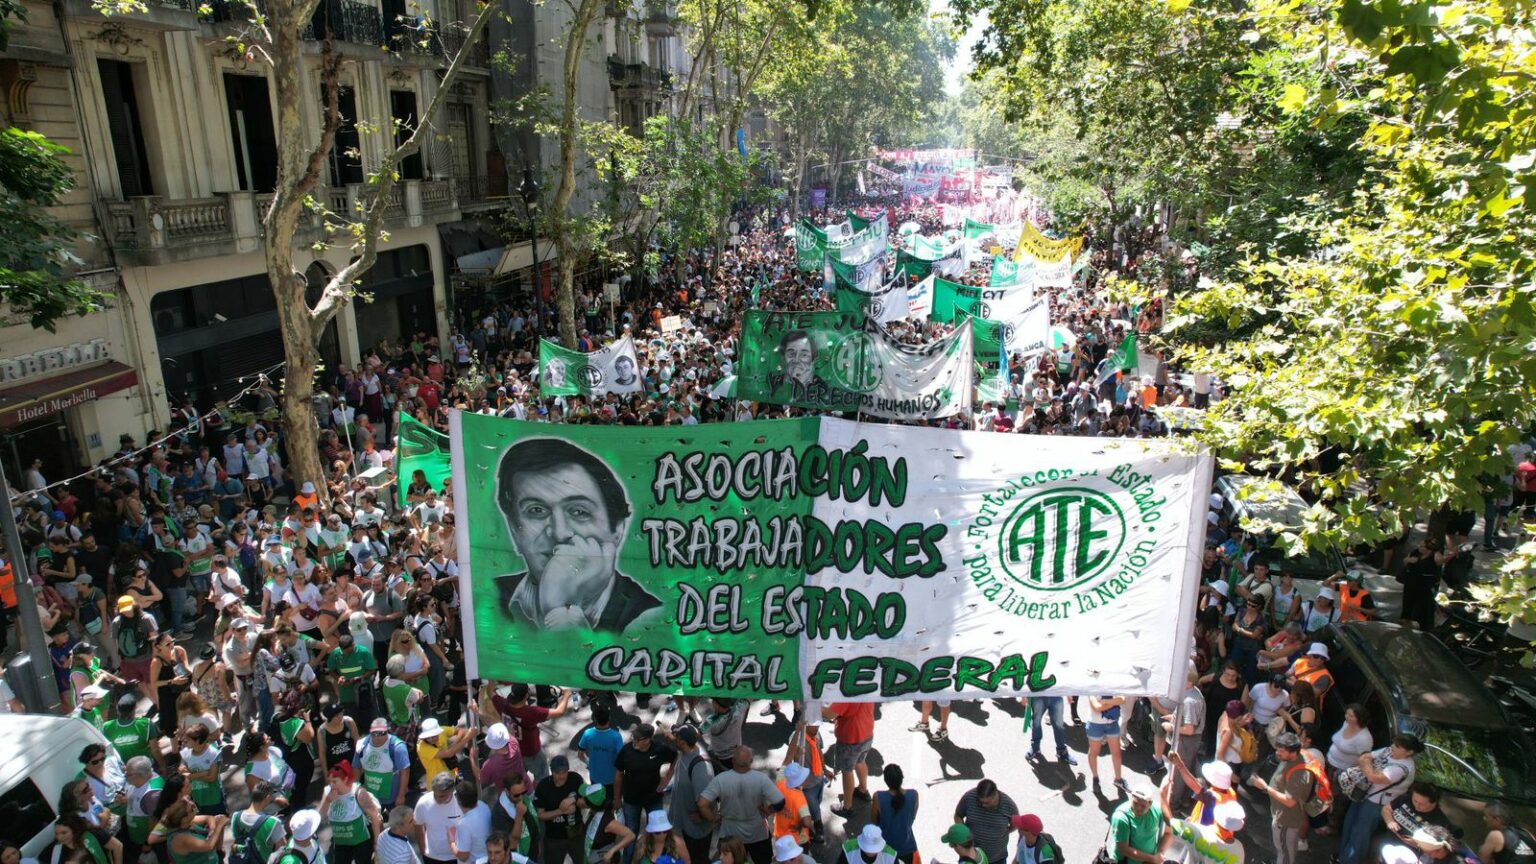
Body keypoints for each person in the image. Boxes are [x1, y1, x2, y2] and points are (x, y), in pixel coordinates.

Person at [491, 439, 663, 634]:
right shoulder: (487, 595)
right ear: (514, 528)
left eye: (579, 512)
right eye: (536, 510)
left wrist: (561, 610)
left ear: (617, 528)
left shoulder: (652, 620)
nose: (560, 533)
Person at [1340, 734, 1424, 864]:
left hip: (1375, 804)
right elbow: (1363, 758)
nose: (1392, 747)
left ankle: (1351, 861)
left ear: (1409, 752)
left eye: (1397, 746)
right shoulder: (1388, 751)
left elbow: (1373, 777)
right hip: (1363, 795)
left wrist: (1367, 765)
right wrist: (1368, 766)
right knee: (1349, 824)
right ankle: (1343, 856)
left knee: (1360, 834)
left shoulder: (1401, 769)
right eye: (1394, 743)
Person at [698, 746, 785, 864]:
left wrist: (714, 818)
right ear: (751, 761)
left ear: (733, 761)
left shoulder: (721, 779)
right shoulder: (761, 779)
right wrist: (769, 810)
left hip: (730, 834)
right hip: (758, 833)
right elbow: (780, 802)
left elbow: (702, 804)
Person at [1160, 761, 1245, 864]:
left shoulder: (1198, 834)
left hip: (1196, 835)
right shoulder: (1239, 850)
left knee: (1186, 853)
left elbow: (1170, 822)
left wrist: (1162, 795)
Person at [1248, 732, 1314, 864]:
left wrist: (1265, 787)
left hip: (1286, 821)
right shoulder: (1291, 758)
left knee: (1285, 853)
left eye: (1281, 751)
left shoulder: (1299, 774)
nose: (1277, 753)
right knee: (1284, 849)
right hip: (1281, 815)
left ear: (1293, 752)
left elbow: (1290, 801)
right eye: (1277, 749)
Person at [614, 723, 676, 855]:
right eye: (633, 737)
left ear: (648, 740)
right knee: (630, 833)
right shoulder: (626, 750)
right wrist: (617, 799)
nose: (634, 741)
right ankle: (628, 860)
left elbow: (675, 757)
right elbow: (619, 775)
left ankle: (651, 858)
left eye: (638, 739)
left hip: (653, 799)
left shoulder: (660, 749)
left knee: (656, 832)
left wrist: (666, 779)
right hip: (631, 800)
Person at [665, 724, 715, 864]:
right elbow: (677, 740)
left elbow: (704, 802)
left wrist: (709, 818)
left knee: (696, 860)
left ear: (683, 742)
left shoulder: (700, 769)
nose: (675, 738)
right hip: (683, 826)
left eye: (677, 737)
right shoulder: (689, 748)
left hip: (694, 833)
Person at [318, 763, 382, 864]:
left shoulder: (359, 793)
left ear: (345, 779)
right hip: (341, 842)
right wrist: (327, 801)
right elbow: (320, 816)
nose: (331, 785)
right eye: (330, 781)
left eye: (335, 781)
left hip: (361, 842)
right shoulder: (328, 792)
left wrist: (377, 842)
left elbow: (375, 816)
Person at [823, 701, 875, 817]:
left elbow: (829, 714)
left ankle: (847, 807)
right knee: (860, 761)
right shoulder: (866, 689)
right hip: (867, 732)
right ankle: (863, 790)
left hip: (850, 738)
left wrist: (814, 704)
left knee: (847, 771)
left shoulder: (847, 695)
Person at [534, 756, 587, 864]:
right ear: (551, 771)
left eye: (564, 772)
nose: (561, 776)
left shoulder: (575, 779)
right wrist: (561, 811)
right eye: (557, 773)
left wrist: (574, 798)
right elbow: (540, 815)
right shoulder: (543, 786)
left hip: (576, 834)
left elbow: (586, 800)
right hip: (554, 837)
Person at [952, 779, 1018, 864]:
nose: (983, 805)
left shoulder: (1008, 805)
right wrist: (964, 834)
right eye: (980, 802)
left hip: (997, 859)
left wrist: (1005, 831)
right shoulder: (969, 798)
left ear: (995, 795)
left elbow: (1016, 823)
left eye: (987, 802)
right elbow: (958, 815)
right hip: (971, 856)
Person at [357, 718, 412, 813]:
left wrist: (401, 796)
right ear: (370, 732)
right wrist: (357, 789)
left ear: (387, 731)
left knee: (396, 820)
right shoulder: (362, 745)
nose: (378, 737)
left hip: (393, 796)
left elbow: (405, 771)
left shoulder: (397, 747)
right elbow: (356, 767)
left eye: (382, 733)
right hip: (371, 796)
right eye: (375, 733)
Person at [869, 765, 917, 864]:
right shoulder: (914, 795)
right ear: (902, 778)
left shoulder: (878, 796)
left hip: (884, 846)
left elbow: (874, 820)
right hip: (907, 845)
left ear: (886, 781)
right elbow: (913, 817)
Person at [1108, 782, 1165, 864]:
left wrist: (1160, 853)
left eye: (1143, 805)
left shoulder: (1157, 809)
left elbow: (1168, 833)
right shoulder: (1121, 818)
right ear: (1131, 798)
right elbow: (1123, 849)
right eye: (1135, 803)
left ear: (1150, 803)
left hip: (1149, 860)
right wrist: (1152, 859)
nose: (1138, 808)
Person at [416, 772, 465, 864]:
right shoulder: (423, 802)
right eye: (435, 794)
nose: (437, 799)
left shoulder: (462, 803)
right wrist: (423, 850)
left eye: (442, 796)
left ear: (452, 791)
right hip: (432, 856)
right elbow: (418, 825)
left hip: (456, 856)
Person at [576, 705, 624, 796]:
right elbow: (622, 758)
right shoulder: (616, 736)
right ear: (609, 718)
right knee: (612, 799)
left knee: (597, 799)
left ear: (594, 718)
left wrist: (588, 763)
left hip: (595, 777)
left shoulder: (587, 734)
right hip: (612, 778)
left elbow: (580, 755)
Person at [1085, 695, 1128, 791]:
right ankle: (1095, 778)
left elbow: (1122, 699)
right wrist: (1114, 702)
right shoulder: (1092, 690)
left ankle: (1118, 779)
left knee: (1116, 752)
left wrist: (1105, 701)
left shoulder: (1111, 687)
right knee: (1094, 752)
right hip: (1095, 725)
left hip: (1112, 724)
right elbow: (1097, 707)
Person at [1024, 696, 1076, 765]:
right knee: (1036, 722)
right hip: (1038, 695)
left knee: (1059, 724)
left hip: (1056, 695)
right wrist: (1024, 695)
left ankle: (1061, 751)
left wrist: (1068, 694)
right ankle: (1035, 747)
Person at [772, 763, 812, 847]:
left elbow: (784, 764)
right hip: (796, 839)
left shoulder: (780, 782)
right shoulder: (799, 798)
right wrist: (799, 825)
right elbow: (807, 822)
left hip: (780, 833)